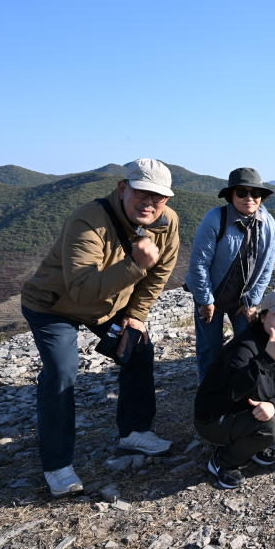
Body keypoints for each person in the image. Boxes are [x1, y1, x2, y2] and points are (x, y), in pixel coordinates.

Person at [20, 159, 180, 497]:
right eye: (141, 193)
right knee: (62, 371)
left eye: (158, 196)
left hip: (109, 304)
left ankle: (134, 432)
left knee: (139, 349)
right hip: (53, 305)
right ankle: (57, 465)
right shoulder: (87, 220)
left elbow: (159, 273)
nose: (149, 202)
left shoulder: (168, 224)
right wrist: (135, 263)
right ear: (123, 188)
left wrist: (136, 313)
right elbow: (80, 289)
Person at [194, 289, 275, 489]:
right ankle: (223, 461)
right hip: (216, 417)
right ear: (263, 317)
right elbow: (233, 391)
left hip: (251, 410)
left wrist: (274, 405)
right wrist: (266, 358)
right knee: (273, 427)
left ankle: (253, 445)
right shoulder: (244, 347)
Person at [186, 167, 275, 382]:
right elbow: (199, 263)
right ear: (230, 195)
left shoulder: (268, 224)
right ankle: (208, 397)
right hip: (211, 294)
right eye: (242, 192)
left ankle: (242, 388)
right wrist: (205, 300)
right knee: (210, 348)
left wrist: (252, 301)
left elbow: (267, 266)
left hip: (242, 299)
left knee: (249, 343)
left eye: (255, 193)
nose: (249, 198)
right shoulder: (215, 219)